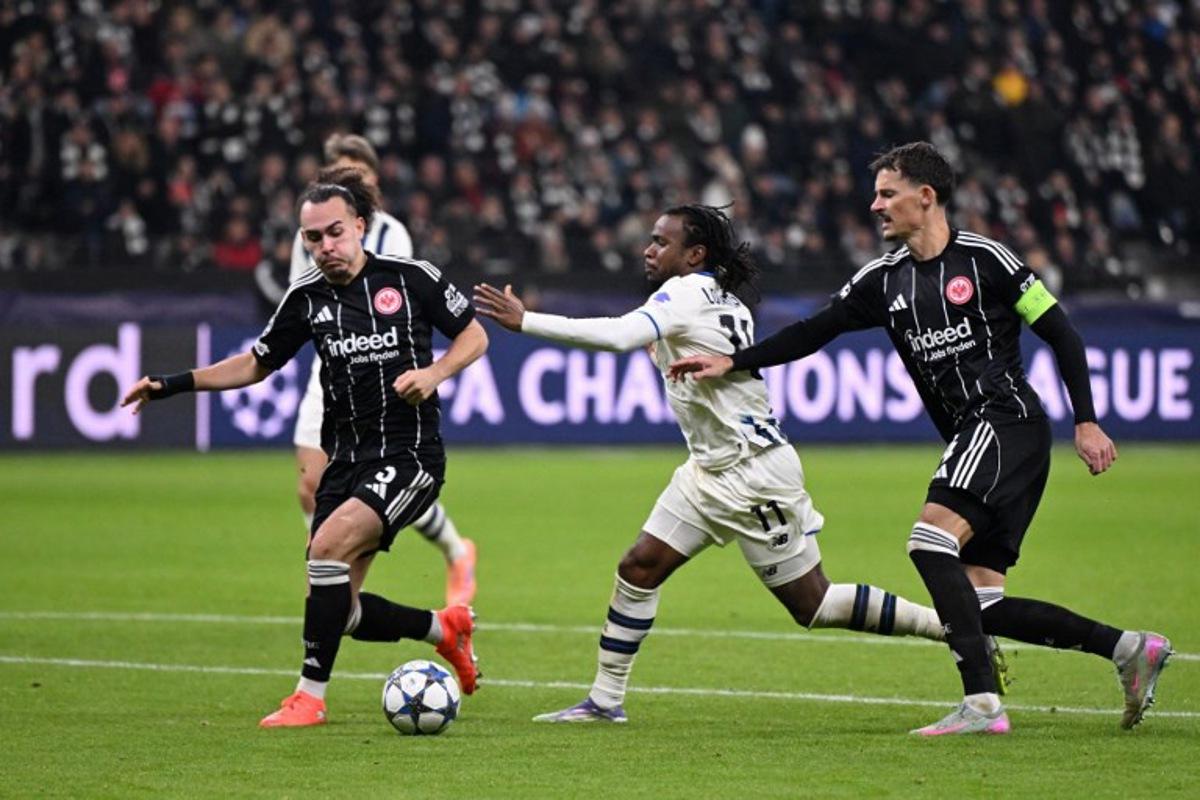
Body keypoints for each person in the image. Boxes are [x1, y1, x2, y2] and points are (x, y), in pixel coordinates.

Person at [670, 142, 1173, 735]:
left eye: (887, 193)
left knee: (928, 541)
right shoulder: (883, 281)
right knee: (982, 604)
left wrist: (1085, 419)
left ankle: (982, 706)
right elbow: (814, 330)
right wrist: (735, 361)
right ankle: (1128, 649)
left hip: (1004, 421)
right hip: (980, 437)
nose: (875, 204)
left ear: (925, 197)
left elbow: (1061, 333)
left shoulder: (988, 260)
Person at [473, 204, 958, 725]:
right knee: (639, 567)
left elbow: (618, 336)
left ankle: (951, 626)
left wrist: (527, 322)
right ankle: (605, 701)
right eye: (651, 240)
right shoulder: (721, 298)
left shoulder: (683, 295)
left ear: (695, 254)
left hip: (752, 476)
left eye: (661, 242)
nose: (648, 249)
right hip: (708, 470)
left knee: (813, 605)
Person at [122, 170, 486, 728]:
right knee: (337, 610)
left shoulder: (410, 278)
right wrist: (171, 383)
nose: (324, 247)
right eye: (311, 238)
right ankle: (444, 629)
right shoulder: (307, 298)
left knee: (325, 554)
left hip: (409, 455)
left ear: (361, 226)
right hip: (344, 460)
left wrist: (435, 373)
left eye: (334, 232)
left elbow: (474, 335)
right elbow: (254, 363)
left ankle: (308, 698)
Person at [285, 134, 477, 607]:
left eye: (362, 174)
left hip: (381, 368)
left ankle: (451, 549)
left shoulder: (391, 234)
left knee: (386, 481)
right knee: (311, 483)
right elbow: (300, 295)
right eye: (344, 173)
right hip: (330, 367)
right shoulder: (306, 235)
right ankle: (326, 572)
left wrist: (426, 372)